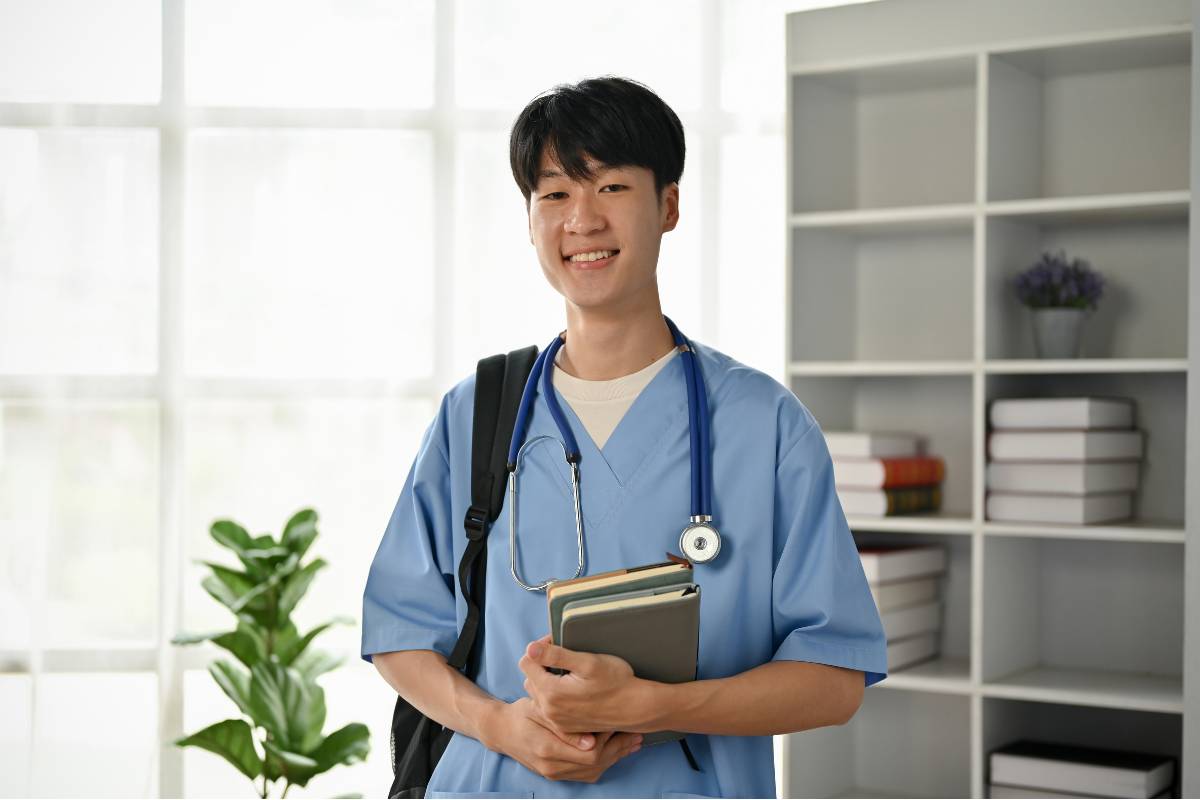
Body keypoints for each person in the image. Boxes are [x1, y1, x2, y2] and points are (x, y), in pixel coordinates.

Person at [362, 75, 888, 797]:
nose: (581, 219)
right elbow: (398, 633)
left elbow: (835, 679)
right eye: (554, 194)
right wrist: (499, 726)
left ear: (668, 205)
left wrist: (659, 706)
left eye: (610, 187)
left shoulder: (763, 424)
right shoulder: (476, 413)